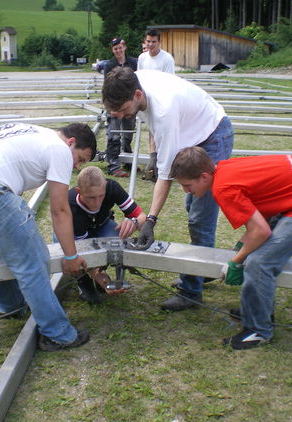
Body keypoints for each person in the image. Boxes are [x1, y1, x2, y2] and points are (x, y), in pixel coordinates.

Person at [169, 147, 292, 350]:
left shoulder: (223, 188)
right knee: (251, 253)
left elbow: (260, 232)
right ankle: (255, 310)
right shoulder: (224, 169)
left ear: (203, 176)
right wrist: (242, 249)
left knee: (259, 263)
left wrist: (235, 262)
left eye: (187, 185)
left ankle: (259, 330)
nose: (186, 191)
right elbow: (257, 224)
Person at [0, 122, 97, 351]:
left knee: (3, 246)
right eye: (80, 159)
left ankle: (10, 306)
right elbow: (60, 211)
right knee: (34, 261)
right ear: (71, 143)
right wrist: (71, 256)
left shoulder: (36, 133)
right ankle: (57, 334)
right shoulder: (59, 150)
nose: (76, 167)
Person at [102, 67, 234, 312]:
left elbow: (165, 176)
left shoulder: (164, 110)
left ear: (138, 95)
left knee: (200, 217)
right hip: (191, 128)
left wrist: (150, 220)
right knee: (191, 206)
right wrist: (153, 152)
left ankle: (191, 292)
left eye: (122, 110)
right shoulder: (132, 79)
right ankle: (204, 269)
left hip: (212, 134)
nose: (120, 116)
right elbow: (151, 124)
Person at [67, 166, 146, 304]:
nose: (97, 202)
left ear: (106, 187)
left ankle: (104, 273)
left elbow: (141, 216)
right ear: (79, 191)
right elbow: (83, 251)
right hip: (74, 233)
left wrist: (134, 222)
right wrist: (99, 275)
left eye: (101, 196)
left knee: (119, 240)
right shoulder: (70, 205)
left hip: (102, 225)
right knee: (71, 250)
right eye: (91, 197)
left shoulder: (112, 187)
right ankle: (83, 280)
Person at [137, 29, 175, 182]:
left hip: (162, 100)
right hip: (147, 100)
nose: (151, 45)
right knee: (151, 132)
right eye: (148, 41)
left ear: (159, 42)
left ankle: (161, 166)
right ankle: (153, 165)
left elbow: (169, 82)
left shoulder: (166, 59)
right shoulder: (142, 58)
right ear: (145, 42)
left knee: (162, 133)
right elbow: (139, 78)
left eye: (154, 42)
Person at [103, 38, 138, 178]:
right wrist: (111, 107)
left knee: (128, 133)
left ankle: (127, 161)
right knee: (114, 134)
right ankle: (113, 165)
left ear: (124, 47)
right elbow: (107, 87)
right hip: (115, 104)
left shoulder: (134, 63)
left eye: (120, 47)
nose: (118, 50)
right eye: (115, 48)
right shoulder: (109, 65)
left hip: (129, 104)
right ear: (112, 50)